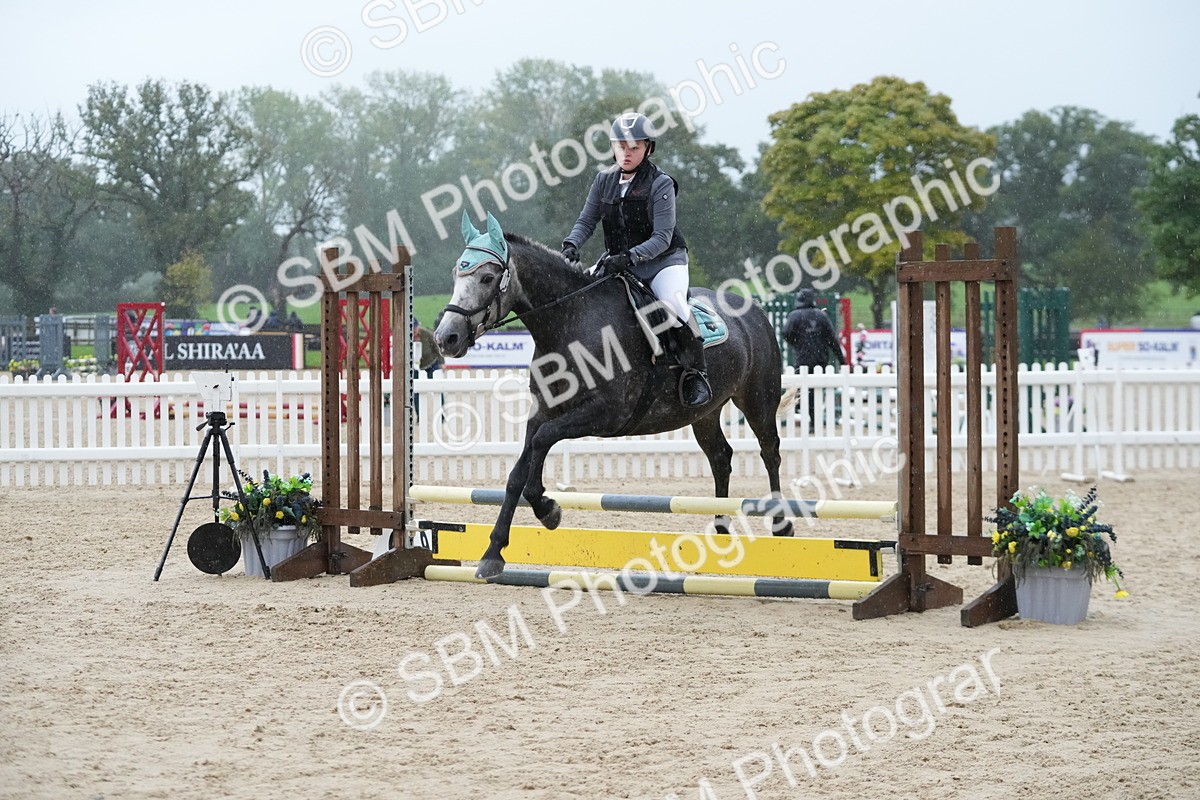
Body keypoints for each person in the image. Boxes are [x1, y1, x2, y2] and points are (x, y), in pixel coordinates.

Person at [560, 111, 711, 407]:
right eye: (620, 146)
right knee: (580, 298)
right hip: (618, 262)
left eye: (634, 148)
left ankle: (696, 374)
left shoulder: (660, 183)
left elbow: (662, 236)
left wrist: (631, 256)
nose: (626, 153)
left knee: (674, 305)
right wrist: (571, 244)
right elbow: (586, 221)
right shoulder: (603, 181)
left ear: (648, 149)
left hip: (663, 262)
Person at [783, 288, 845, 428]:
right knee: (817, 390)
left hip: (803, 359)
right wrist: (842, 360)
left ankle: (806, 415)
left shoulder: (794, 315)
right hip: (820, 358)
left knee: (803, 389)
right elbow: (832, 339)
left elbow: (786, 333)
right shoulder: (821, 316)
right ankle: (815, 419)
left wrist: (797, 343)